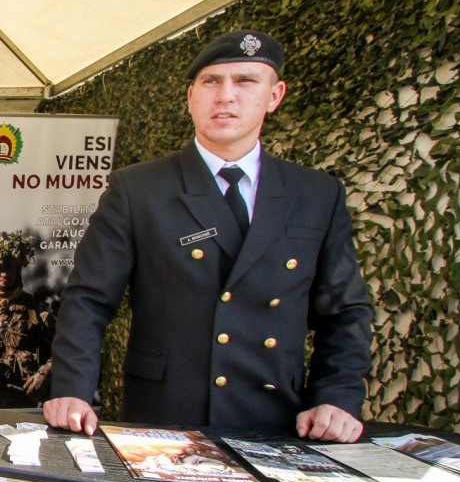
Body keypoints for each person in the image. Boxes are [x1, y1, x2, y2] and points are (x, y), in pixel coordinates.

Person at [45, 29, 373, 442]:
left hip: (276, 420)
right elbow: (89, 299)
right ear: (191, 96)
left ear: (275, 95)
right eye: (211, 82)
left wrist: (338, 397)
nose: (226, 96)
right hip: (165, 419)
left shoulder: (316, 195)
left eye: (246, 81)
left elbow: (345, 311)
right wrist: (73, 391)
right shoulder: (139, 189)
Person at [0, 230, 54, 408]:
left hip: (22, 402)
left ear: (19, 268)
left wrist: (45, 373)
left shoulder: (37, 309)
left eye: (10, 268)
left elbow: (62, 351)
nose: (5, 274)